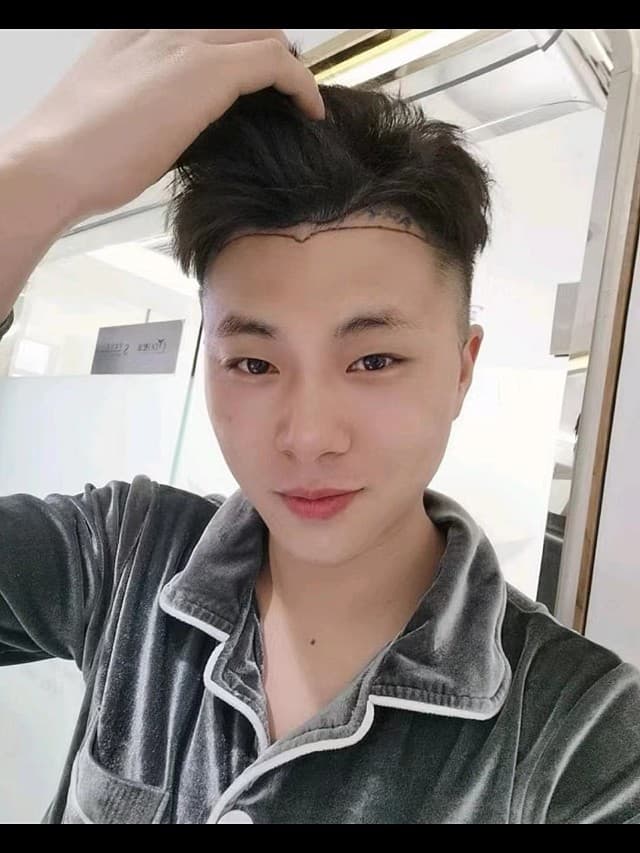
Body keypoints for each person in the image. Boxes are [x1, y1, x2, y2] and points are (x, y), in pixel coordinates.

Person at [0, 29, 638, 825]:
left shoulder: (582, 737)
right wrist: (35, 176)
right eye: (254, 363)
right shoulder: (124, 556)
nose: (307, 436)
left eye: (373, 360)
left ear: (462, 368)